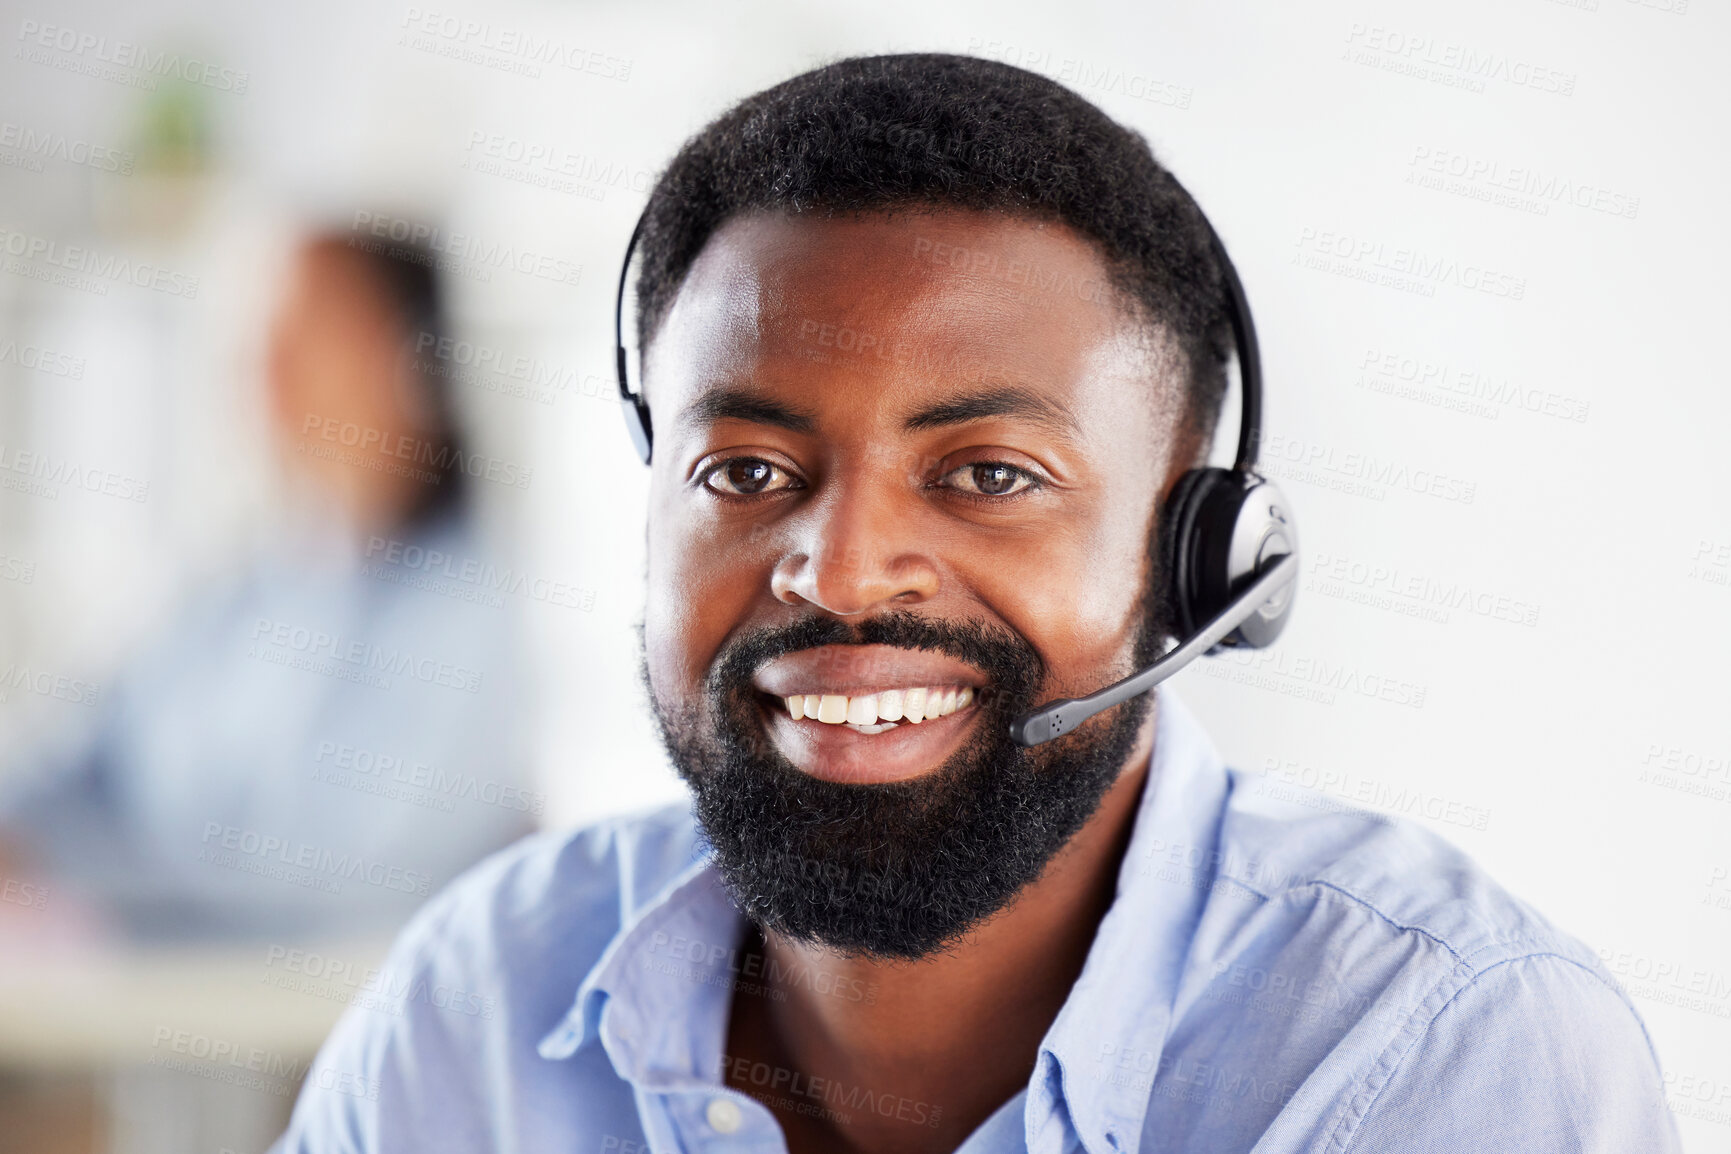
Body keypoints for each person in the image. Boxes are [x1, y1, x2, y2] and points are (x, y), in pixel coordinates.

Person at [272, 55, 1679, 1152]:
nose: (839, 567)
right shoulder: (476, 1008)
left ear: (1192, 554)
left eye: (987, 471)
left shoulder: (1439, 1049)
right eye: (746, 466)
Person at [0, 232, 537, 940]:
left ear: (411, 366)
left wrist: (77, 882)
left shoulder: (476, 612)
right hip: (151, 1019)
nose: (267, 370)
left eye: (307, 336)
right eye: (263, 340)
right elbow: (81, 762)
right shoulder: (233, 593)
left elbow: (332, 880)